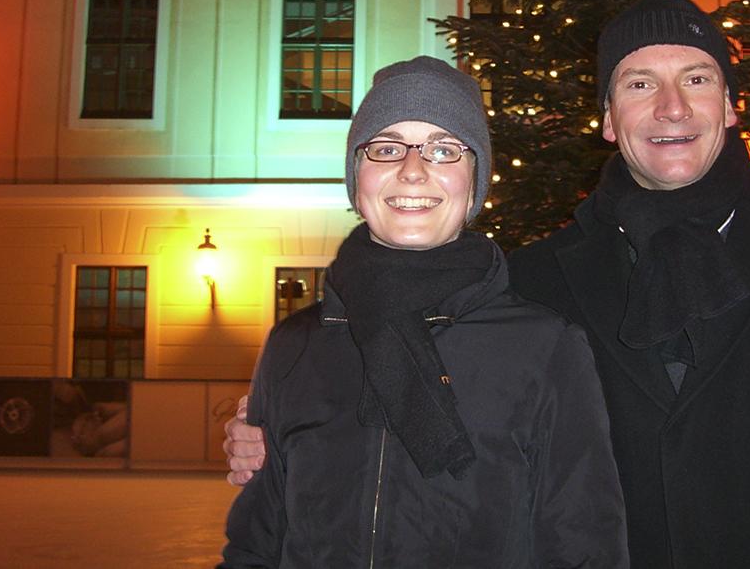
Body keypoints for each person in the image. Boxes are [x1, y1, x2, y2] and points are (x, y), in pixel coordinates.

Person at [225, 0, 750, 567]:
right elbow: (414, 375)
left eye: (696, 79)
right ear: (609, 119)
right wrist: (267, 422)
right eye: (639, 83)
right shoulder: (535, 278)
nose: (670, 107)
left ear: (730, 105)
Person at [219, 56, 628, 568]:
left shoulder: (545, 349)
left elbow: (583, 543)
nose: (412, 170)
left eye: (443, 149)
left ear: (474, 179)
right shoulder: (295, 344)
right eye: (387, 148)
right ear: (356, 175)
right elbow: (258, 540)